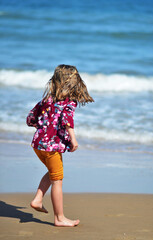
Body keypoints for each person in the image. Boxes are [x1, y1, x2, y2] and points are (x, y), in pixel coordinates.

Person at [26, 64, 94, 227]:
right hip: (52, 147)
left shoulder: (45, 100)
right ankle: (59, 218)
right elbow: (67, 121)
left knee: (53, 173)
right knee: (57, 179)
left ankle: (37, 199)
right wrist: (73, 140)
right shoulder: (69, 102)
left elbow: (30, 118)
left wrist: (42, 127)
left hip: (38, 145)